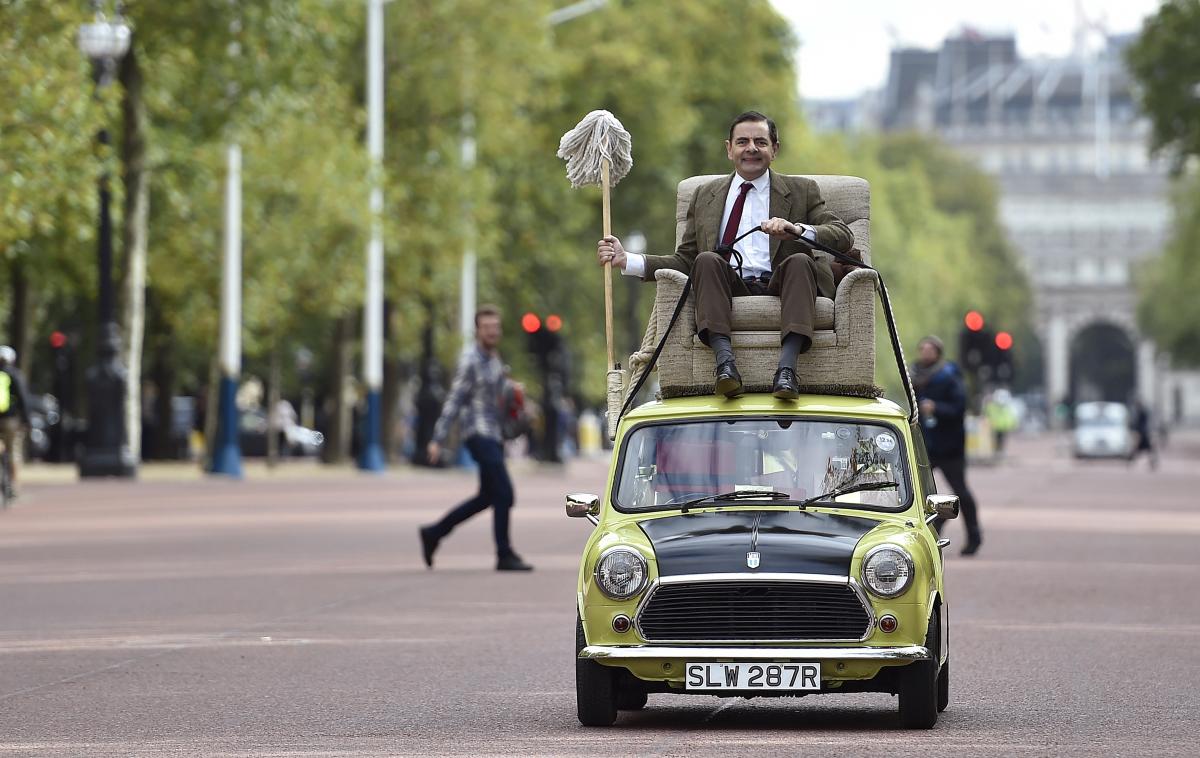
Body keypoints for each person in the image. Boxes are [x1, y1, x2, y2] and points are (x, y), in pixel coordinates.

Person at [597, 110, 854, 400]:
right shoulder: (705, 195)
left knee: (799, 261)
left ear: (775, 149)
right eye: (742, 142)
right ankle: (725, 365)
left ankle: (787, 369)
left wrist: (796, 230)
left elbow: (843, 235)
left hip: (783, 283)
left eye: (760, 141)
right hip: (728, 284)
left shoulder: (802, 190)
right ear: (729, 149)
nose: (752, 148)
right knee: (705, 260)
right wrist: (627, 259)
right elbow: (685, 261)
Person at [418, 306, 533, 572]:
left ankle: (434, 532)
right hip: (477, 433)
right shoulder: (470, 360)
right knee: (505, 493)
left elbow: (497, 397)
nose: (492, 331)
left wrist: (513, 391)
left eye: (496, 327)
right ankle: (504, 554)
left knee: (487, 497)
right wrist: (438, 438)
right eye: (487, 327)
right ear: (477, 330)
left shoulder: (494, 358)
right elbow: (454, 399)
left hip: (493, 434)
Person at [911, 336, 983, 556]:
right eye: (922, 348)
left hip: (950, 445)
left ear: (938, 352)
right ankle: (931, 528)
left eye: (930, 349)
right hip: (926, 445)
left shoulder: (949, 375)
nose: (925, 353)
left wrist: (936, 408)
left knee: (960, 490)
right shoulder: (913, 374)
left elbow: (959, 407)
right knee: (916, 492)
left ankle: (974, 536)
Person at [0, 345, 32, 500]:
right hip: (11, 420)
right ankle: (13, 486)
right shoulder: (15, 375)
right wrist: (27, 420)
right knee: (14, 452)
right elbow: (24, 400)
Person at [1128, 400, 1158, 470]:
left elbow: (1140, 424)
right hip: (1144, 433)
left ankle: (1130, 460)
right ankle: (1152, 463)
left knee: (1143, 450)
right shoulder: (1142, 412)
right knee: (1147, 450)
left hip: (1143, 434)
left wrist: (1137, 432)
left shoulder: (1141, 412)